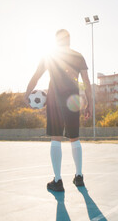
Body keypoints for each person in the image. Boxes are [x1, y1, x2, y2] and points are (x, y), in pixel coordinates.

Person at [26, 29, 93, 192]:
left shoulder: (49, 56)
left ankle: (58, 180)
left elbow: (36, 77)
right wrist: (89, 103)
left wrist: (27, 94)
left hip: (55, 99)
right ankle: (79, 177)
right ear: (69, 40)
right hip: (73, 100)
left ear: (56, 41)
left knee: (56, 138)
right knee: (74, 138)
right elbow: (85, 81)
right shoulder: (78, 56)